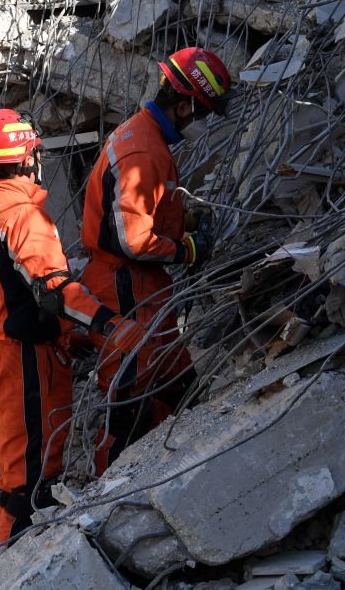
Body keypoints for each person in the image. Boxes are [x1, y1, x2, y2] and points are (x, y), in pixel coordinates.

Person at [0, 108, 146, 544]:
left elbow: (12, 291)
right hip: (22, 360)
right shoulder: (22, 214)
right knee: (28, 481)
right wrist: (108, 324)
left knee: (26, 472)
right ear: (28, 158)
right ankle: (15, 566)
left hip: (3, 354)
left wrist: (66, 334)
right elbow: (53, 288)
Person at [79, 47, 232, 473]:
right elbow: (132, 239)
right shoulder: (142, 153)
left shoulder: (146, 137)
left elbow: (142, 211)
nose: (203, 124)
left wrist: (182, 218)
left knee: (176, 379)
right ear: (183, 106)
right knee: (129, 390)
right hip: (124, 284)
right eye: (202, 115)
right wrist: (187, 248)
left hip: (143, 283)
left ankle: (180, 465)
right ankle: (103, 489)